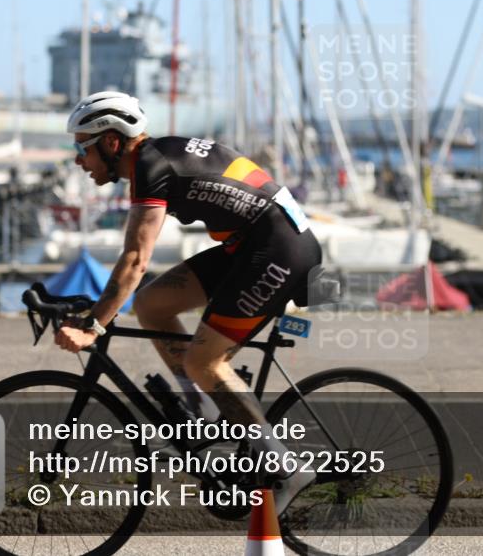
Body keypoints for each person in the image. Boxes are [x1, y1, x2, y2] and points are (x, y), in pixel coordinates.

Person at [54, 91, 321, 513]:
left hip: (278, 251)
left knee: (204, 362)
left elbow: (136, 258)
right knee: (152, 305)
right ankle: (206, 413)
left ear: (111, 142)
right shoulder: (157, 155)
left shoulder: (150, 166)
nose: (77, 160)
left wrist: (93, 326)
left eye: (81, 148)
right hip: (254, 244)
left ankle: (286, 466)